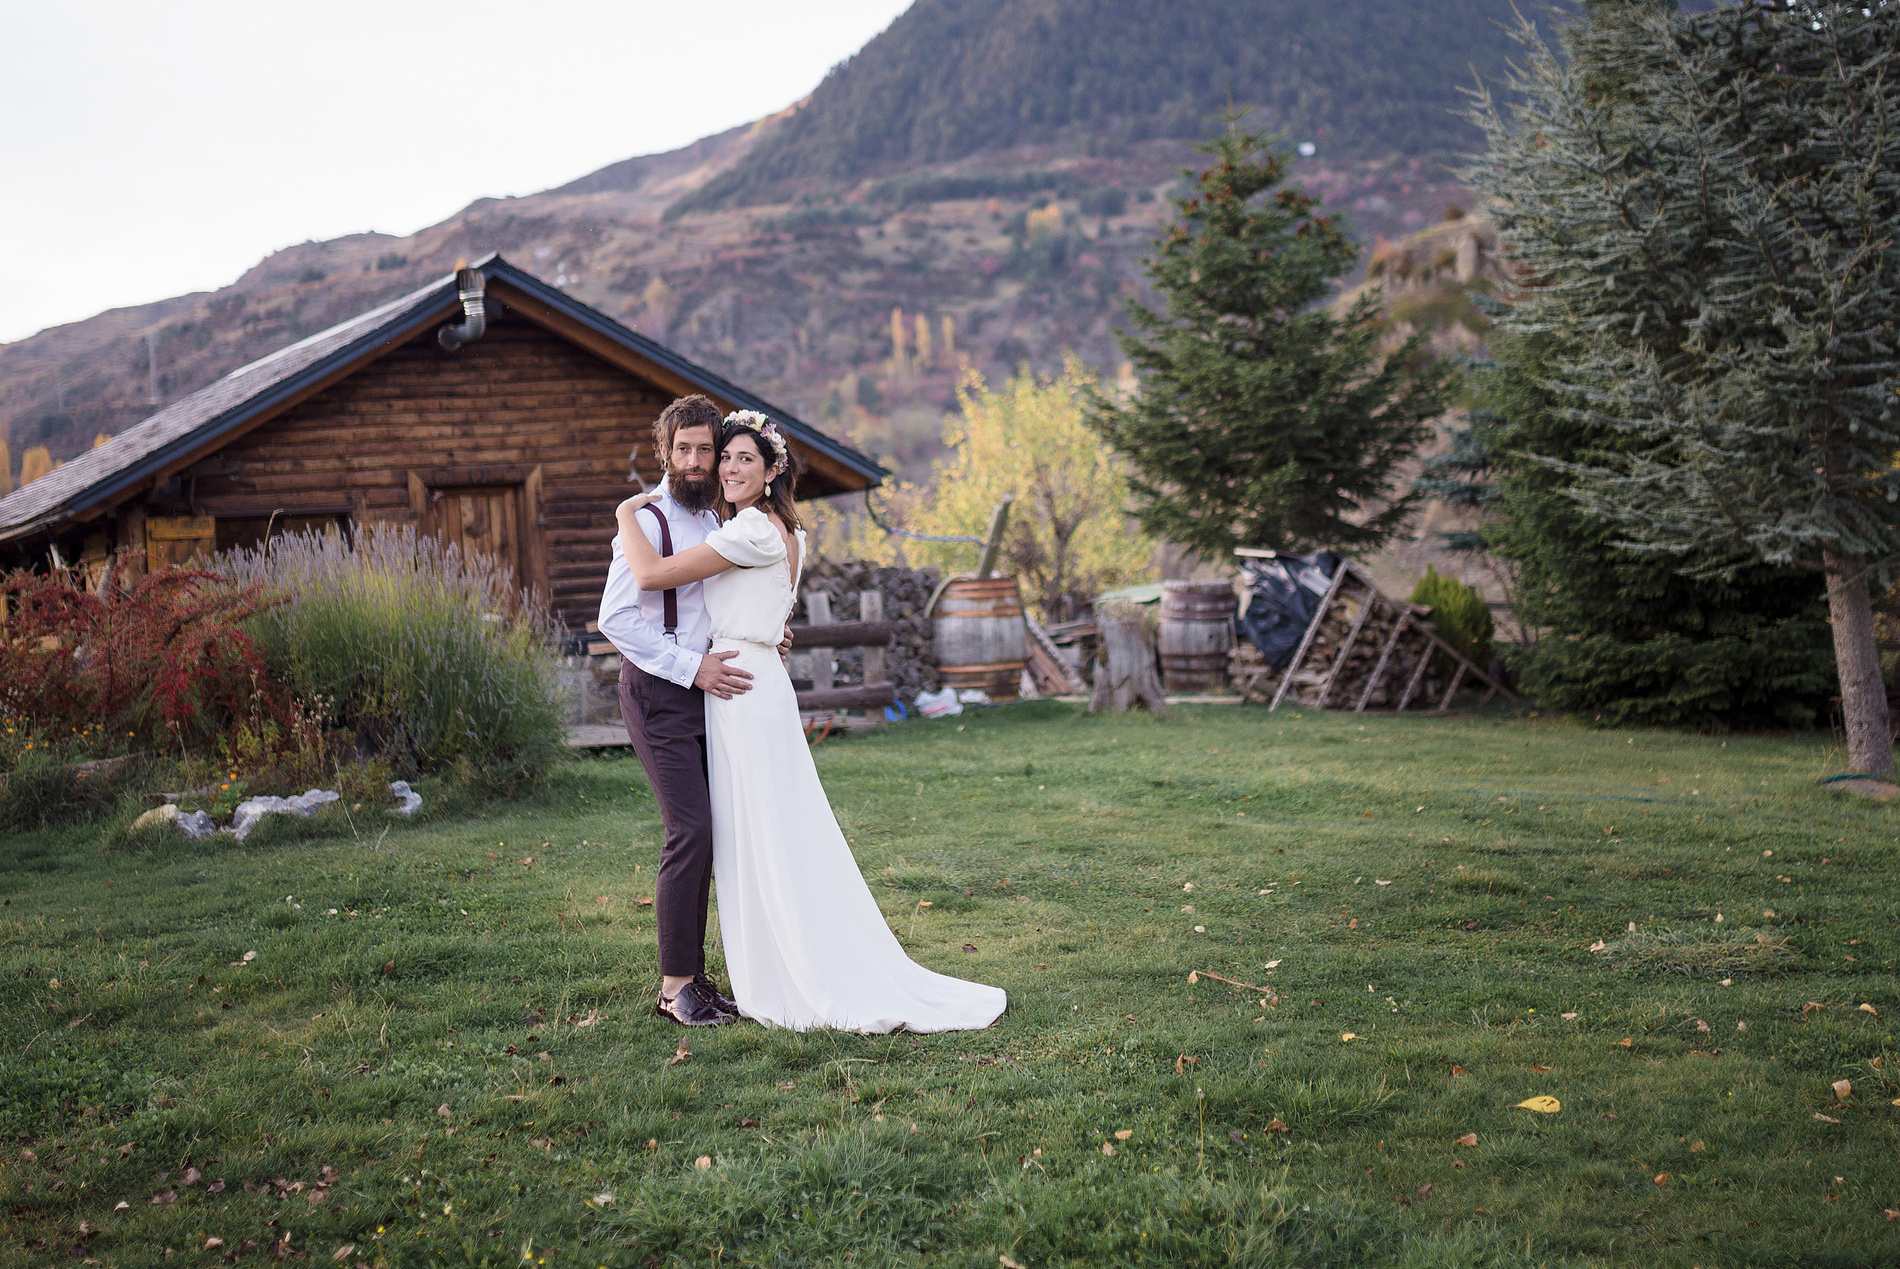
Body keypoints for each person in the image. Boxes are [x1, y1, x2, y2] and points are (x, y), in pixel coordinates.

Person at [616, 410, 1006, 1034]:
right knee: (741, 832)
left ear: (773, 470)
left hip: (737, 685)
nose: (722, 465)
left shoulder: (745, 526)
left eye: (738, 457)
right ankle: (718, 976)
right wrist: (764, 633)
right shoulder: (744, 524)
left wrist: (621, 515)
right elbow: (634, 607)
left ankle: (774, 970)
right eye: (721, 455)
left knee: (757, 833)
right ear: (672, 453)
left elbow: (658, 576)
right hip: (720, 681)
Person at [598, 395, 751, 1027]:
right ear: (664, 453)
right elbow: (615, 618)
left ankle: (699, 979)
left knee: (714, 833)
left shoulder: (715, 519)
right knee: (689, 832)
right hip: (659, 692)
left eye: (704, 450)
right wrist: (692, 668)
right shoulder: (647, 520)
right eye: (682, 449)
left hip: (707, 693)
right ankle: (675, 988)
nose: (693, 461)